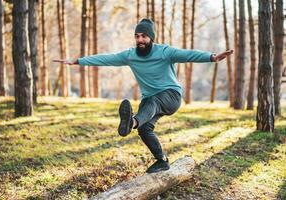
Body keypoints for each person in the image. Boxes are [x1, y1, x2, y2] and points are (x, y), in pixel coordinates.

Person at [54, 18, 233, 173]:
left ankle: (131, 122)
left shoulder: (165, 52)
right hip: (150, 100)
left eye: (144, 36)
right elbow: (105, 58)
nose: (140, 39)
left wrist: (212, 57)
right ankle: (162, 160)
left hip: (170, 96)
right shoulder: (130, 56)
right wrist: (77, 61)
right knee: (145, 129)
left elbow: (188, 55)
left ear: (151, 38)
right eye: (137, 36)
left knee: (152, 102)